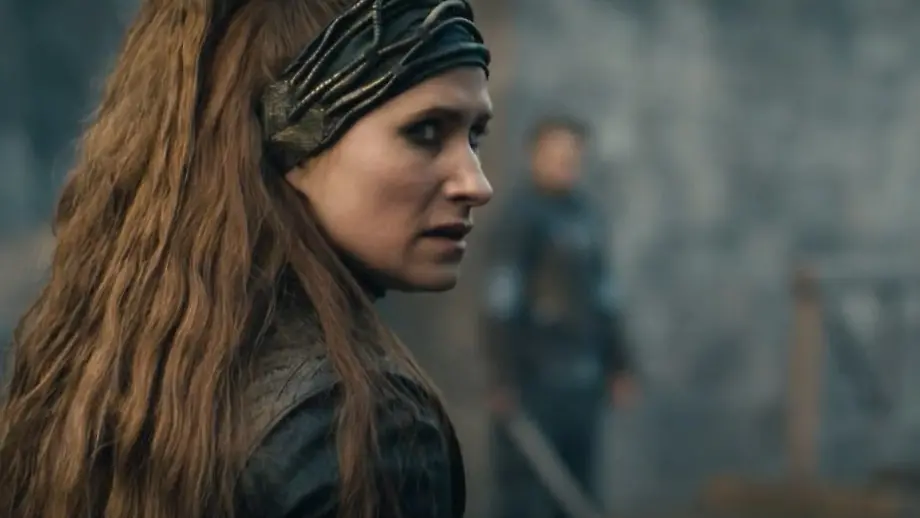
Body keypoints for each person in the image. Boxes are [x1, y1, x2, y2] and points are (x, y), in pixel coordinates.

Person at [0, 1, 493, 517]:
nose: (476, 184)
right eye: (425, 131)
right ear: (296, 138)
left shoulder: (114, 374)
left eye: (474, 137)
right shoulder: (362, 434)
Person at [482, 116, 636, 518]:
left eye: (572, 153)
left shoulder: (587, 216)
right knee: (526, 494)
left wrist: (620, 363)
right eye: (555, 152)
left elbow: (606, 295)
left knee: (577, 489)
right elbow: (500, 300)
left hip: (583, 380)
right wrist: (503, 376)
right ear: (534, 155)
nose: (565, 161)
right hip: (534, 381)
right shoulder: (520, 218)